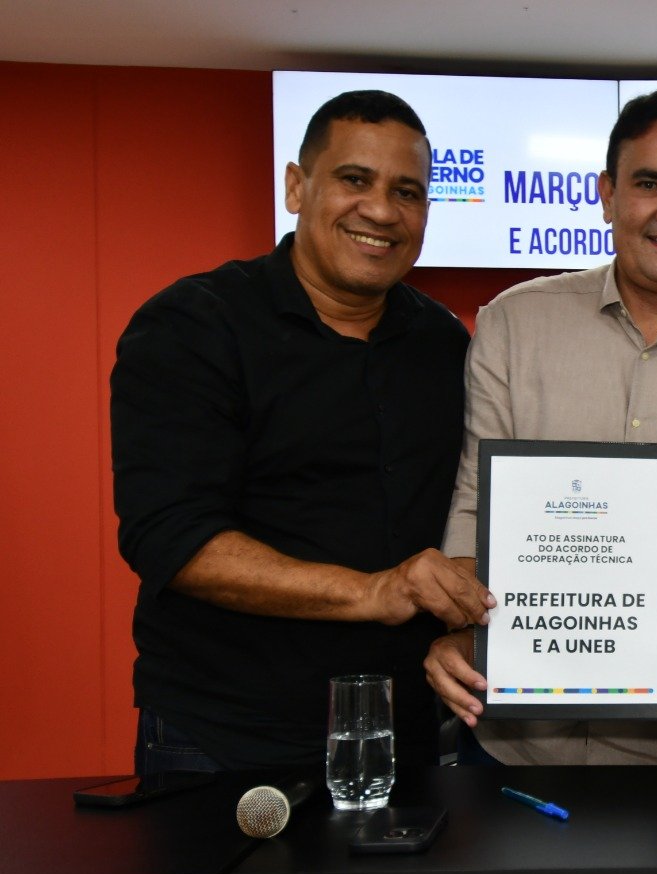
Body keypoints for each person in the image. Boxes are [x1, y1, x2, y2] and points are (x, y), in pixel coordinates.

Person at [424, 86, 657, 765]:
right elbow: (475, 507)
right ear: (607, 194)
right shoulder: (514, 323)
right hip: (513, 743)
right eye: (649, 183)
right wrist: (464, 630)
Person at [112, 90, 493, 773]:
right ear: (296, 186)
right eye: (355, 179)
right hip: (224, 737)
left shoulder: (443, 342)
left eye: (406, 192)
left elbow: (472, 509)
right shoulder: (194, 325)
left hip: (408, 733)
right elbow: (171, 536)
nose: (381, 211)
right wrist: (375, 591)